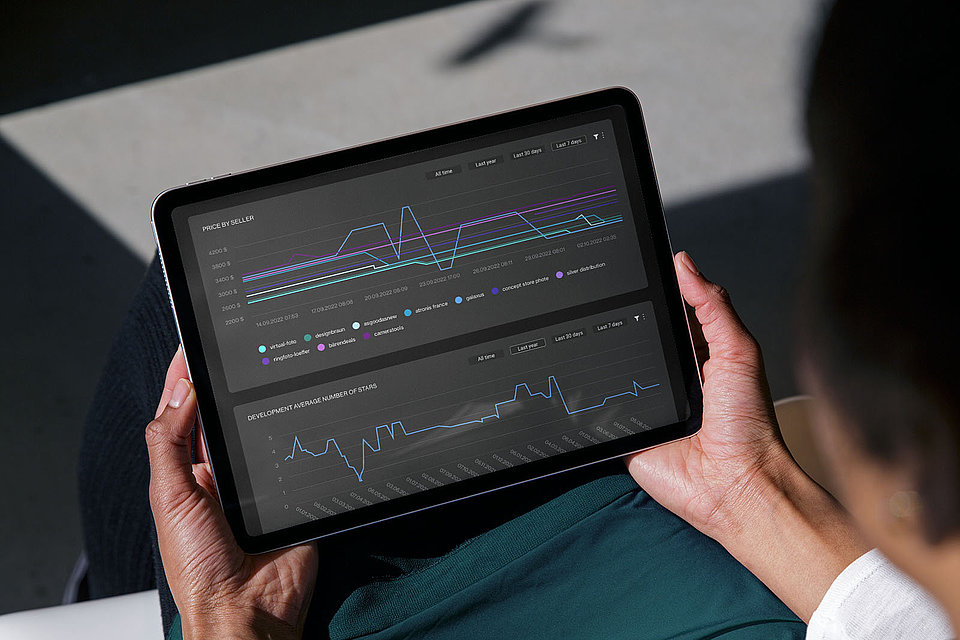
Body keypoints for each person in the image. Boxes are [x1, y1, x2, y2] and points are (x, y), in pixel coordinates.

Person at [80, 1, 957, 638]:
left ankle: (100, 597)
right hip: (686, 519)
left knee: (182, 315)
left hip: (320, 606)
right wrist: (745, 487)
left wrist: (228, 614)